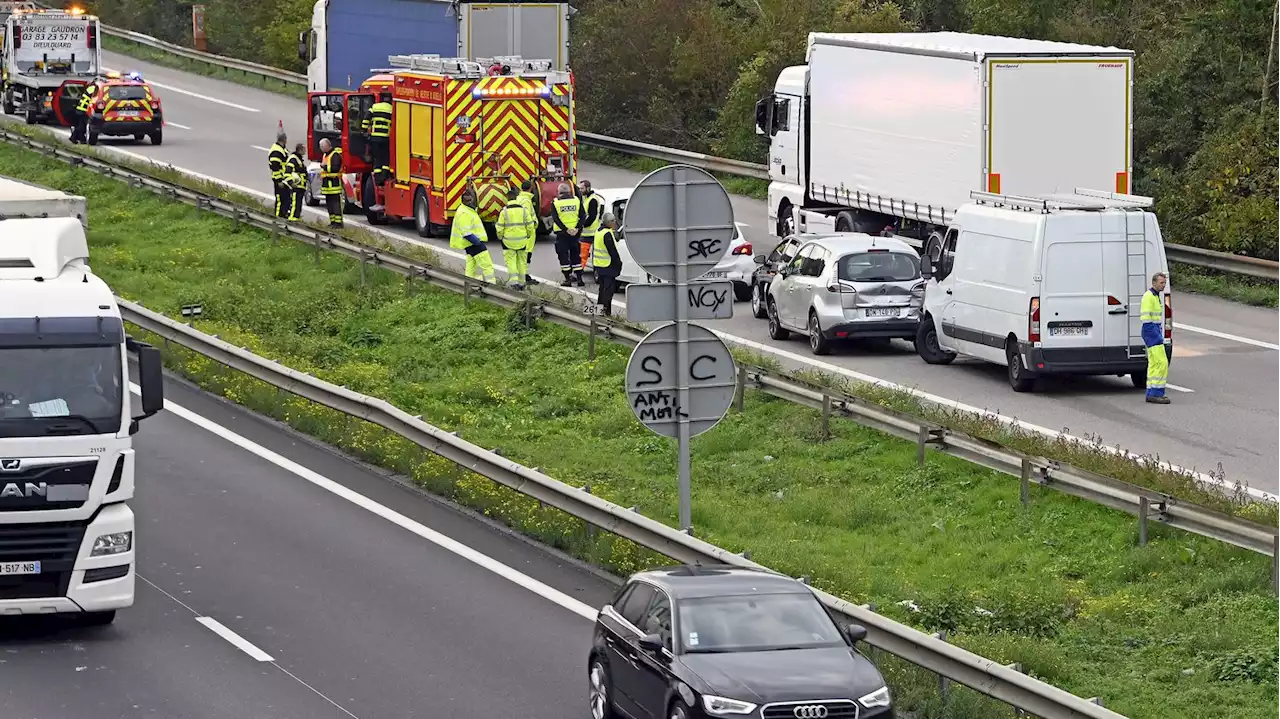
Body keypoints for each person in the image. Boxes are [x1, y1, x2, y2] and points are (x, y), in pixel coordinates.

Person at [451, 189, 496, 283]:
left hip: (470, 244)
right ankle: (492, 287)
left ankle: (468, 285)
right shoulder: (464, 213)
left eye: (471, 200)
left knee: (470, 268)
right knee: (487, 266)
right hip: (473, 243)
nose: (471, 202)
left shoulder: (467, 210)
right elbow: (466, 232)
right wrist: (477, 243)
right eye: (468, 200)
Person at [1140, 271, 1171, 404]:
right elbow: (1147, 319)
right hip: (1151, 331)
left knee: (1153, 363)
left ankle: (1151, 391)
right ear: (1154, 283)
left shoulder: (1155, 295)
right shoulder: (1149, 296)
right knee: (1161, 362)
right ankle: (1157, 393)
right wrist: (1157, 335)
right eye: (1161, 283)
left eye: (1164, 283)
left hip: (1152, 331)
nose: (1163, 285)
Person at [496, 187, 532, 289]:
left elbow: (500, 228)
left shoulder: (504, 212)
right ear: (516, 197)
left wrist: (500, 237)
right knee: (521, 261)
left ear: (508, 199)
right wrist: (528, 235)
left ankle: (514, 283)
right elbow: (530, 225)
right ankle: (522, 283)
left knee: (511, 262)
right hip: (522, 240)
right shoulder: (524, 211)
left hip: (508, 241)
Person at [551, 183, 584, 286]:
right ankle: (579, 279)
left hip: (562, 234)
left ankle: (568, 279)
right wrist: (577, 228)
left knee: (563, 255)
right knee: (576, 255)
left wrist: (566, 230)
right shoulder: (576, 200)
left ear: (559, 192)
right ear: (569, 191)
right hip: (575, 233)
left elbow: (556, 219)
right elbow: (583, 215)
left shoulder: (555, 202)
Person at [592, 212, 623, 316]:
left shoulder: (598, 231)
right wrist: (619, 264)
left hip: (599, 266)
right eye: (613, 221)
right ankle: (605, 312)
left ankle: (599, 312)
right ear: (608, 222)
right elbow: (612, 251)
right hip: (607, 266)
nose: (615, 223)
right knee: (608, 292)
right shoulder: (607, 234)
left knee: (602, 291)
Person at [363, 93, 392, 183]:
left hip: (374, 138)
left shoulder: (375, 107)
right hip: (385, 138)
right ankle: (384, 175)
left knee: (377, 158)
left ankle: (377, 178)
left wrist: (364, 130)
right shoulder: (392, 109)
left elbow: (366, 118)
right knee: (385, 158)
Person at [579, 180, 604, 276]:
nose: (580, 190)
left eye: (582, 188)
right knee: (583, 255)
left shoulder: (592, 199)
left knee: (584, 255)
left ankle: (579, 273)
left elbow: (592, 216)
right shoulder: (586, 198)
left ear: (588, 188)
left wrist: (583, 225)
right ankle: (578, 272)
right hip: (587, 232)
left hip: (590, 232)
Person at [518, 179, 541, 285]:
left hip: (521, 232)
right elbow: (526, 216)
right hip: (528, 233)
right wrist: (531, 226)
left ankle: (522, 275)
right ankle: (524, 276)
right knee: (526, 255)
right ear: (531, 189)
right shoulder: (526, 200)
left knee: (523, 255)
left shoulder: (519, 198)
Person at [318, 137, 344, 228]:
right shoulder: (325, 155)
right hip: (327, 185)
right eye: (320, 146)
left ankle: (338, 223)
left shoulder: (335, 155)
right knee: (329, 205)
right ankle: (332, 222)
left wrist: (324, 167)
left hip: (334, 184)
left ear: (328, 145)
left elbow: (335, 168)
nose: (321, 148)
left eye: (322, 146)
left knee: (335, 204)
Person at [268, 130, 292, 221]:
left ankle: (283, 216)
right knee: (280, 200)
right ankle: (277, 219)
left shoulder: (282, 149)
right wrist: (279, 181)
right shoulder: (276, 151)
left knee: (286, 200)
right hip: (280, 180)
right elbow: (275, 167)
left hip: (284, 180)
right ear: (284, 139)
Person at [70, 79, 98, 144]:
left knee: (81, 126)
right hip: (83, 109)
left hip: (81, 109)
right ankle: (79, 139)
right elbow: (95, 97)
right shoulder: (93, 88)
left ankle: (75, 138)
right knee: (82, 126)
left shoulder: (90, 88)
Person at [285, 142, 307, 223]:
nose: (306, 151)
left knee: (298, 206)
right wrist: (291, 183)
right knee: (295, 205)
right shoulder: (293, 159)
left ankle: (295, 220)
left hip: (300, 187)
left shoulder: (298, 159)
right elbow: (287, 172)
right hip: (296, 187)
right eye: (304, 149)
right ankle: (292, 222)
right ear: (300, 150)